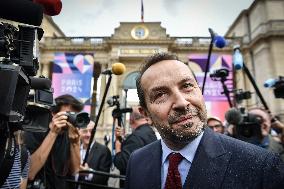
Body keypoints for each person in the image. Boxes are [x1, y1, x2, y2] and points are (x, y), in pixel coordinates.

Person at [125, 52, 284, 189]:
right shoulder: (136, 161)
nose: (182, 102)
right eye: (160, 95)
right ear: (146, 114)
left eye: (187, 85)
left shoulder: (261, 165)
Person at [24, 94, 83, 189]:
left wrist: (75, 143)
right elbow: (30, 172)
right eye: (68, 114)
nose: (71, 119)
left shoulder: (70, 134)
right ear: (53, 113)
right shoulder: (36, 129)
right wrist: (53, 133)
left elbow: (75, 170)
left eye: (75, 115)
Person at [113, 105, 157, 187]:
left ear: (131, 120)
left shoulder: (135, 138)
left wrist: (118, 147)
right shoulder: (149, 132)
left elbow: (122, 164)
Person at [78, 120, 112, 189]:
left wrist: (88, 173)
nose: (89, 134)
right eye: (85, 131)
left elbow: (104, 178)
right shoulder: (75, 149)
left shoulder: (104, 151)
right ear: (79, 132)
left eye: (91, 131)